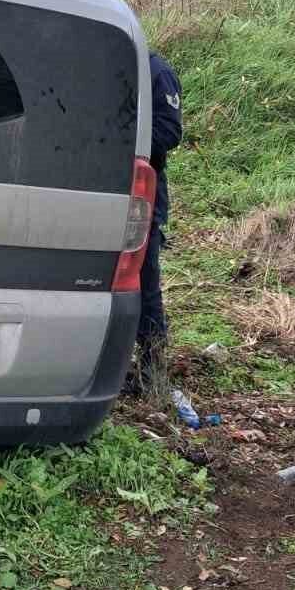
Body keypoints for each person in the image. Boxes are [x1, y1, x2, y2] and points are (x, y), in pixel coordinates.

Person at [135, 49, 183, 390]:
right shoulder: (106, 66)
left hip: (142, 194)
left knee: (143, 280)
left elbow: (169, 132)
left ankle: (152, 371)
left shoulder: (156, 72)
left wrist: (123, 142)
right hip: (103, 188)